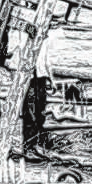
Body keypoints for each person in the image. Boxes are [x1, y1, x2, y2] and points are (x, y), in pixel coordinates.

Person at [20, 28, 55, 159]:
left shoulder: (45, 42)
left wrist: (52, 79)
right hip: (30, 79)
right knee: (30, 114)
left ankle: (36, 145)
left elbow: (47, 62)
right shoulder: (27, 40)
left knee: (40, 113)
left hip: (41, 78)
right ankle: (28, 147)